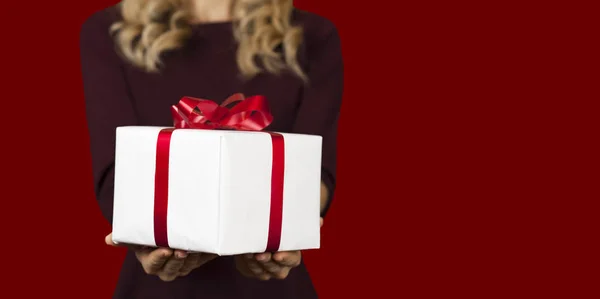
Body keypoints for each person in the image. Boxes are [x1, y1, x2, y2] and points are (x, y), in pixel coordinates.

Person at [80, 0, 343, 298]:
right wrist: (146, 236)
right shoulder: (111, 31)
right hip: (156, 288)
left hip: (272, 284)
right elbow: (115, 176)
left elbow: (315, 172)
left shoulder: (311, 35)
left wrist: (296, 220)